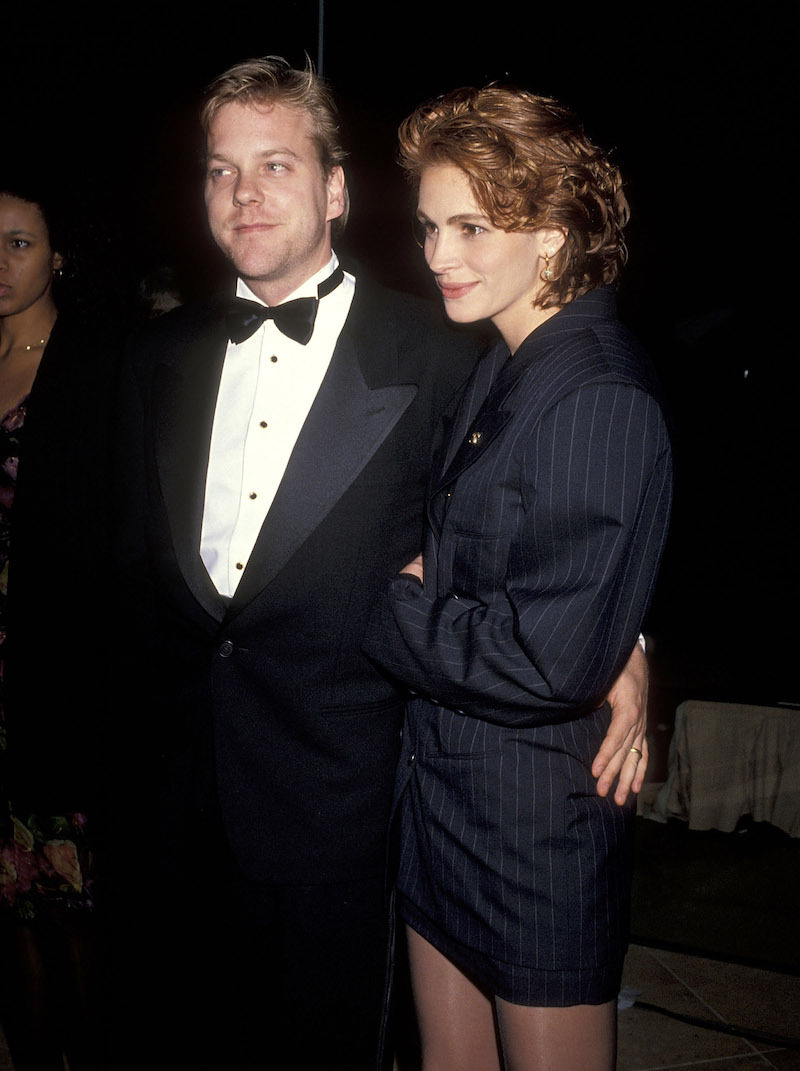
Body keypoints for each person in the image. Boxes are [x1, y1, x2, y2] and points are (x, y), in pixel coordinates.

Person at [110, 58, 651, 1070]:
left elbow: (545, 523)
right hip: (176, 811)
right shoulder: (150, 356)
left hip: (348, 816)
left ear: (335, 189)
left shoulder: (452, 349)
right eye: (221, 168)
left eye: (276, 163)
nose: (245, 192)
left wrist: (623, 639)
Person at [364, 86, 672, 1070]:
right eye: (425, 225)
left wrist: (394, 604)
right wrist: (623, 636)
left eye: (468, 226)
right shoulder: (507, 362)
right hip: (444, 799)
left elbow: (547, 661)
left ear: (549, 235)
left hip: (529, 829)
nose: (434, 254)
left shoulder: (593, 392)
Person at [0, 180, 115, 1070]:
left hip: (57, 674)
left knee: (70, 907)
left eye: (19, 244)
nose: (1, 265)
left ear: (58, 254)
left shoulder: (96, 362)